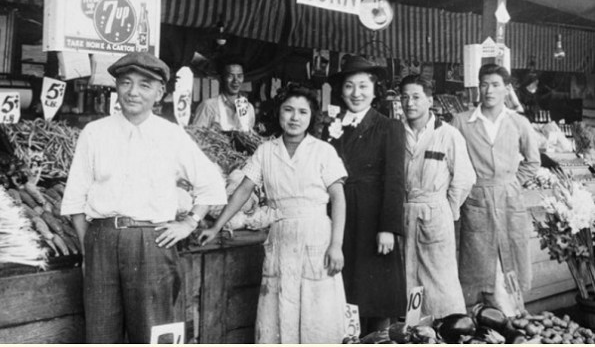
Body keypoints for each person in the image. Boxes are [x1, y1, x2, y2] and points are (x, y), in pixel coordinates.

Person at [61, 52, 227, 343]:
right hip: (102, 239)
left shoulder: (171, 135)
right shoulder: (94, 133)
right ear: (117, 88)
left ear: (160, 92)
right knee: (101, 334)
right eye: (125, 83)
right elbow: (75, 199)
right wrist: (91, 248)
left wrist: (189, 223)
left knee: (155, 335)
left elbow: (212, 184)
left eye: (144, 85)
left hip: (152, 242)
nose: (133, 92)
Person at [198, 85, 348, 343]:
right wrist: (216, 226)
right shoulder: (266, 151)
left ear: (311, 117)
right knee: (279, 310)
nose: (294, 117)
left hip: (316, 235)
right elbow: (243, 190)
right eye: (288, 110)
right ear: (278, 113)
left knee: (318, 312)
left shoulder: (323, 151)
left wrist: (336, 245)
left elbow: (339, 199)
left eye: (302, 112)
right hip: (281, 234)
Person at [451, 63, 540, 316]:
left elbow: (533, 161)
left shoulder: (518, 122)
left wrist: (512, 183)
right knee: (477, 261)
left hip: (510, 201)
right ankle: (482, 318)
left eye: (495, 85)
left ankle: (512, 318)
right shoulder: (462, 121)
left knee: (510, 256)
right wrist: (469, 188)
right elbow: (452, 162)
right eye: (484, 84)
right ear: (477, 87)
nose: (489, 90)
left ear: (507, 89)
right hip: (475, 200)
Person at [328, 55, 406, 335]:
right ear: (341, 91)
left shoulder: (389, 127)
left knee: (375, 296)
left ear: (375, 90)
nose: (356, 93)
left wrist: (388, 227)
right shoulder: (330, 127)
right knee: (344, 290)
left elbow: (395, 180)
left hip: (373, 219)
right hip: (338, 218)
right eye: (349, 86)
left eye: (363, 86)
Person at [399, 75, 476, 318]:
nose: (409, 103)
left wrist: (446, 209)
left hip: (436, 214)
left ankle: (448, 329)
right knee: (409, 274)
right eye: (404, 97)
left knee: (439, 280)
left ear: (429, 100)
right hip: (405, 212)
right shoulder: (396, 133)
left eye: (416, 97)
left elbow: (464, 179)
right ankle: (416, 329)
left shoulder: (448, 134)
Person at [192, 61, 255, 131]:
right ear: (221, 78)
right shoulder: (208, 106)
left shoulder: (248, 108)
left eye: (239, 76)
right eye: (230, 76)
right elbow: (195, 136)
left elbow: (249, 136)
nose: (236, 80)